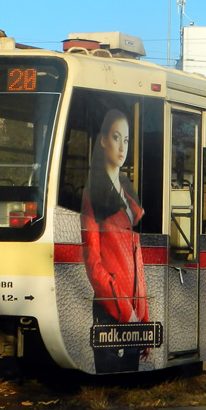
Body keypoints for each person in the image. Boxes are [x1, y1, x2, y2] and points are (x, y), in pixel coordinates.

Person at [80, 108, 150, 373]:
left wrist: (143, 319)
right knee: (113, 394)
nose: (123, 147)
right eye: (117, 137)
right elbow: (93, 264)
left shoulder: (128, 194)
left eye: (127, 140)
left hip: (132, 313)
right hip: (112, 313)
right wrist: (127, 313)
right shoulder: (91, 195)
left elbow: (137, 266)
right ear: (103, 140)